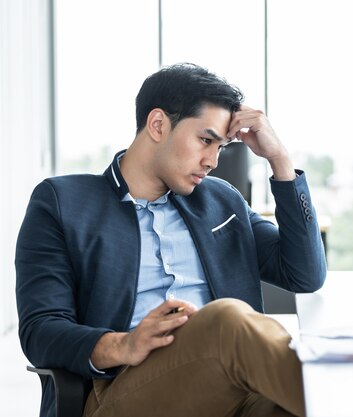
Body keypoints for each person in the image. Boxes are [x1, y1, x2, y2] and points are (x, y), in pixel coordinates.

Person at [15, 63, 327, 417]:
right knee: (225, 320)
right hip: (121, 392)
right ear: (158, 125)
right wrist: (125, 344)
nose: (212, 161)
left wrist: (280, 160)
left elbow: (305, 275)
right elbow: (41, 330)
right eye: (206, 140)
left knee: (284, 406)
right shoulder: (63, 202)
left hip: (233, 389)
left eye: (221, 148)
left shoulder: (220, 200)